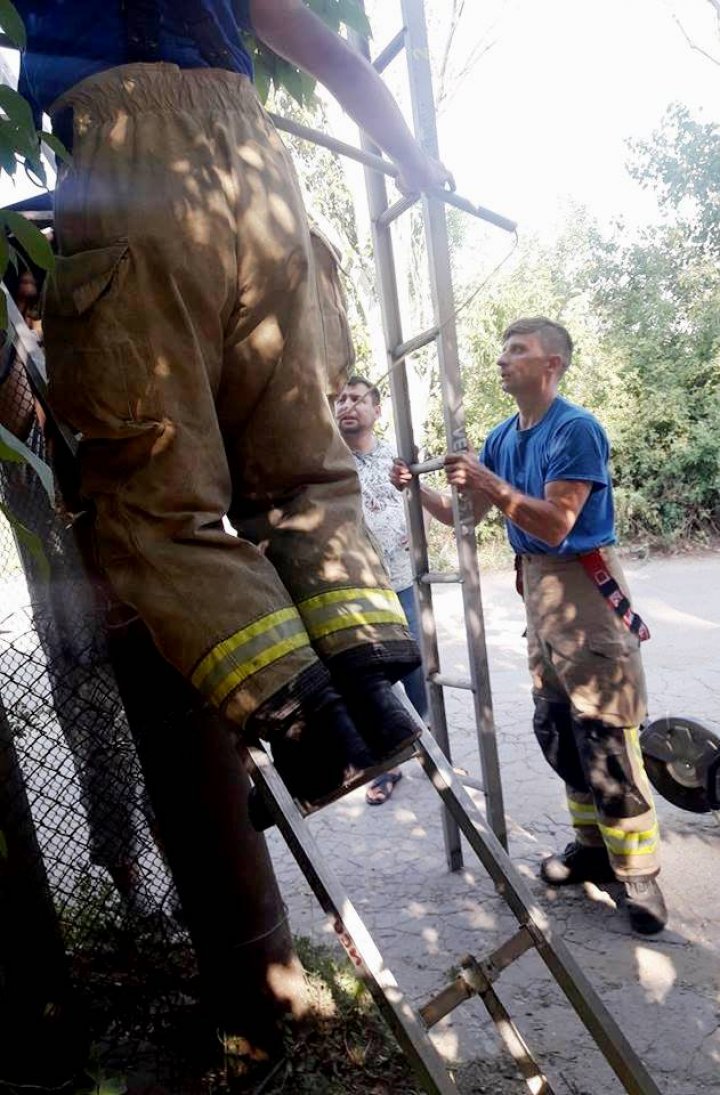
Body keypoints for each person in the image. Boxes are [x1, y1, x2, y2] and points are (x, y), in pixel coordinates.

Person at [15, 0, 455, 814]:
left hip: (131, 172)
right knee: (300, 465)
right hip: (264, 181)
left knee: (158, 497)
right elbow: (324, 48)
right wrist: (408, 154)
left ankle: (311, 734)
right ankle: (373, 695)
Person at [391, 317, 667, 935]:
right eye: (503, 349)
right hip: (538, 586)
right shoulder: (502, 437)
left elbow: (556, 524)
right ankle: (593, 850)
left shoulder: (576, 429)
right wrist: (418, 490)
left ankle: (640, 877)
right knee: (559, 726)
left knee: (605, 735)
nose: (502, 359)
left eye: (517, 350)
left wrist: (485, 479)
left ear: (553, 365)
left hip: (583, 584)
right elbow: (465, 516)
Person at [0, 306, 160, 923]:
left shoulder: (104, 415)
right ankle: (136, 899)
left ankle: (184, 886)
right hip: (79, 641)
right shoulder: (23, 452)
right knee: (108, 772)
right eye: (29, 312)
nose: (40, 325)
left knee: (165, 765)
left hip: (141, 622)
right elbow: (17, 406)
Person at [335, 375, 429, 805]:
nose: (346, 406)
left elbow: (421, 504)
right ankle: (388, 767)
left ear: (376, 410)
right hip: (355, 592)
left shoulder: (397, 457)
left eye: (356, 399)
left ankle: (427, 751)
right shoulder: (327, 462)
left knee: (415, 671)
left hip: (402, 581)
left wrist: (417, 530)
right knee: (376, 679)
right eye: (340, 400)